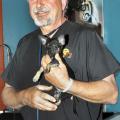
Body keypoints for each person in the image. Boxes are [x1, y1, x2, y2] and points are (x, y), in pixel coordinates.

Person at [1, 0, 120, 120]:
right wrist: (24, 97)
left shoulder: (86, 37)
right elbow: (7, 94)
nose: (39, 4)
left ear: (63, 3)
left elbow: (111, 94)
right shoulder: (25, 43)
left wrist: (68, 85)